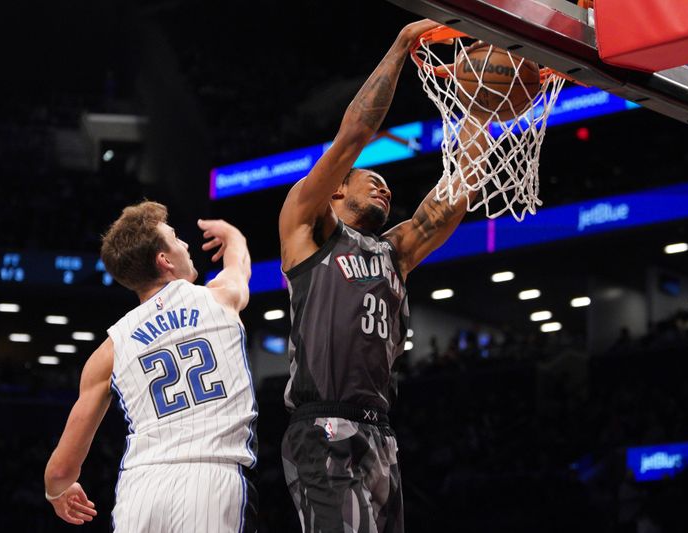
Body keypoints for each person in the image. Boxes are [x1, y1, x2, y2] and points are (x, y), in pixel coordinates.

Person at [278, 19, 488, 532]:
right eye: (372, 180)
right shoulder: (308, 228)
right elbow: (354, 134)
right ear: (334, 192)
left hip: (380, 434)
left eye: (388, 187)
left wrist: (486, 109)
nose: (385, 189)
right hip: (323, 424)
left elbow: (455, 191)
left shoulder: (394, 252)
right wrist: (401, 44)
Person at [44, 201, 258, 532]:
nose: (186, 245)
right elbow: (239, 266)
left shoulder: (109, 350)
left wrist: (57, 490)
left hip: (141, 488)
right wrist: (232, 235)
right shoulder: (218, 298)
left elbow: (60, 471)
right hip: (210, 480)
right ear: (164, 260)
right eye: (176, 239)